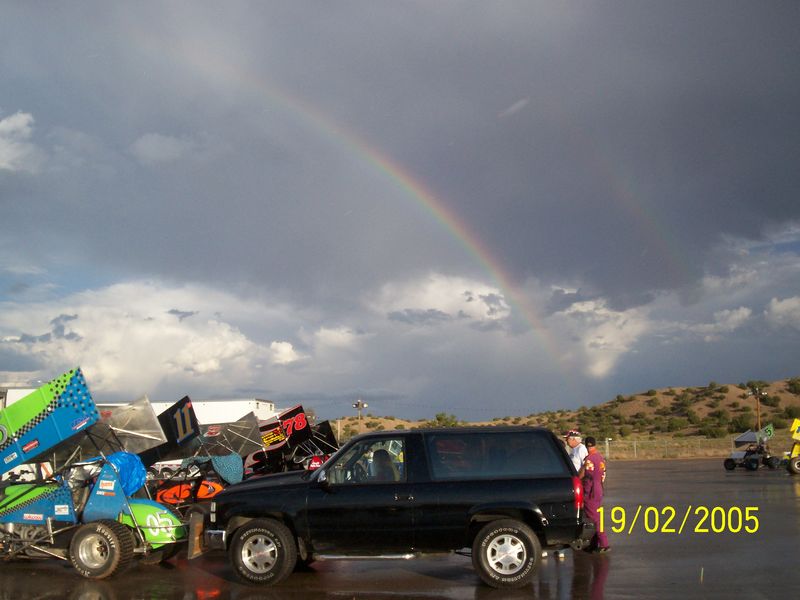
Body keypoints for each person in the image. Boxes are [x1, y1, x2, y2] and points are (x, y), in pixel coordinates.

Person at [578, 436, 609, 553]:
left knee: (595, 518)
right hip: (599, 489)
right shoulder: (600, 458)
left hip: (591, 491)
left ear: (586, 446)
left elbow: (586, 475)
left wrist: (580, 474)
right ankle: (594, 543)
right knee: (594, 516)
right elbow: (602, 475)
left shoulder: (589, 459)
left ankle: (604, 543)